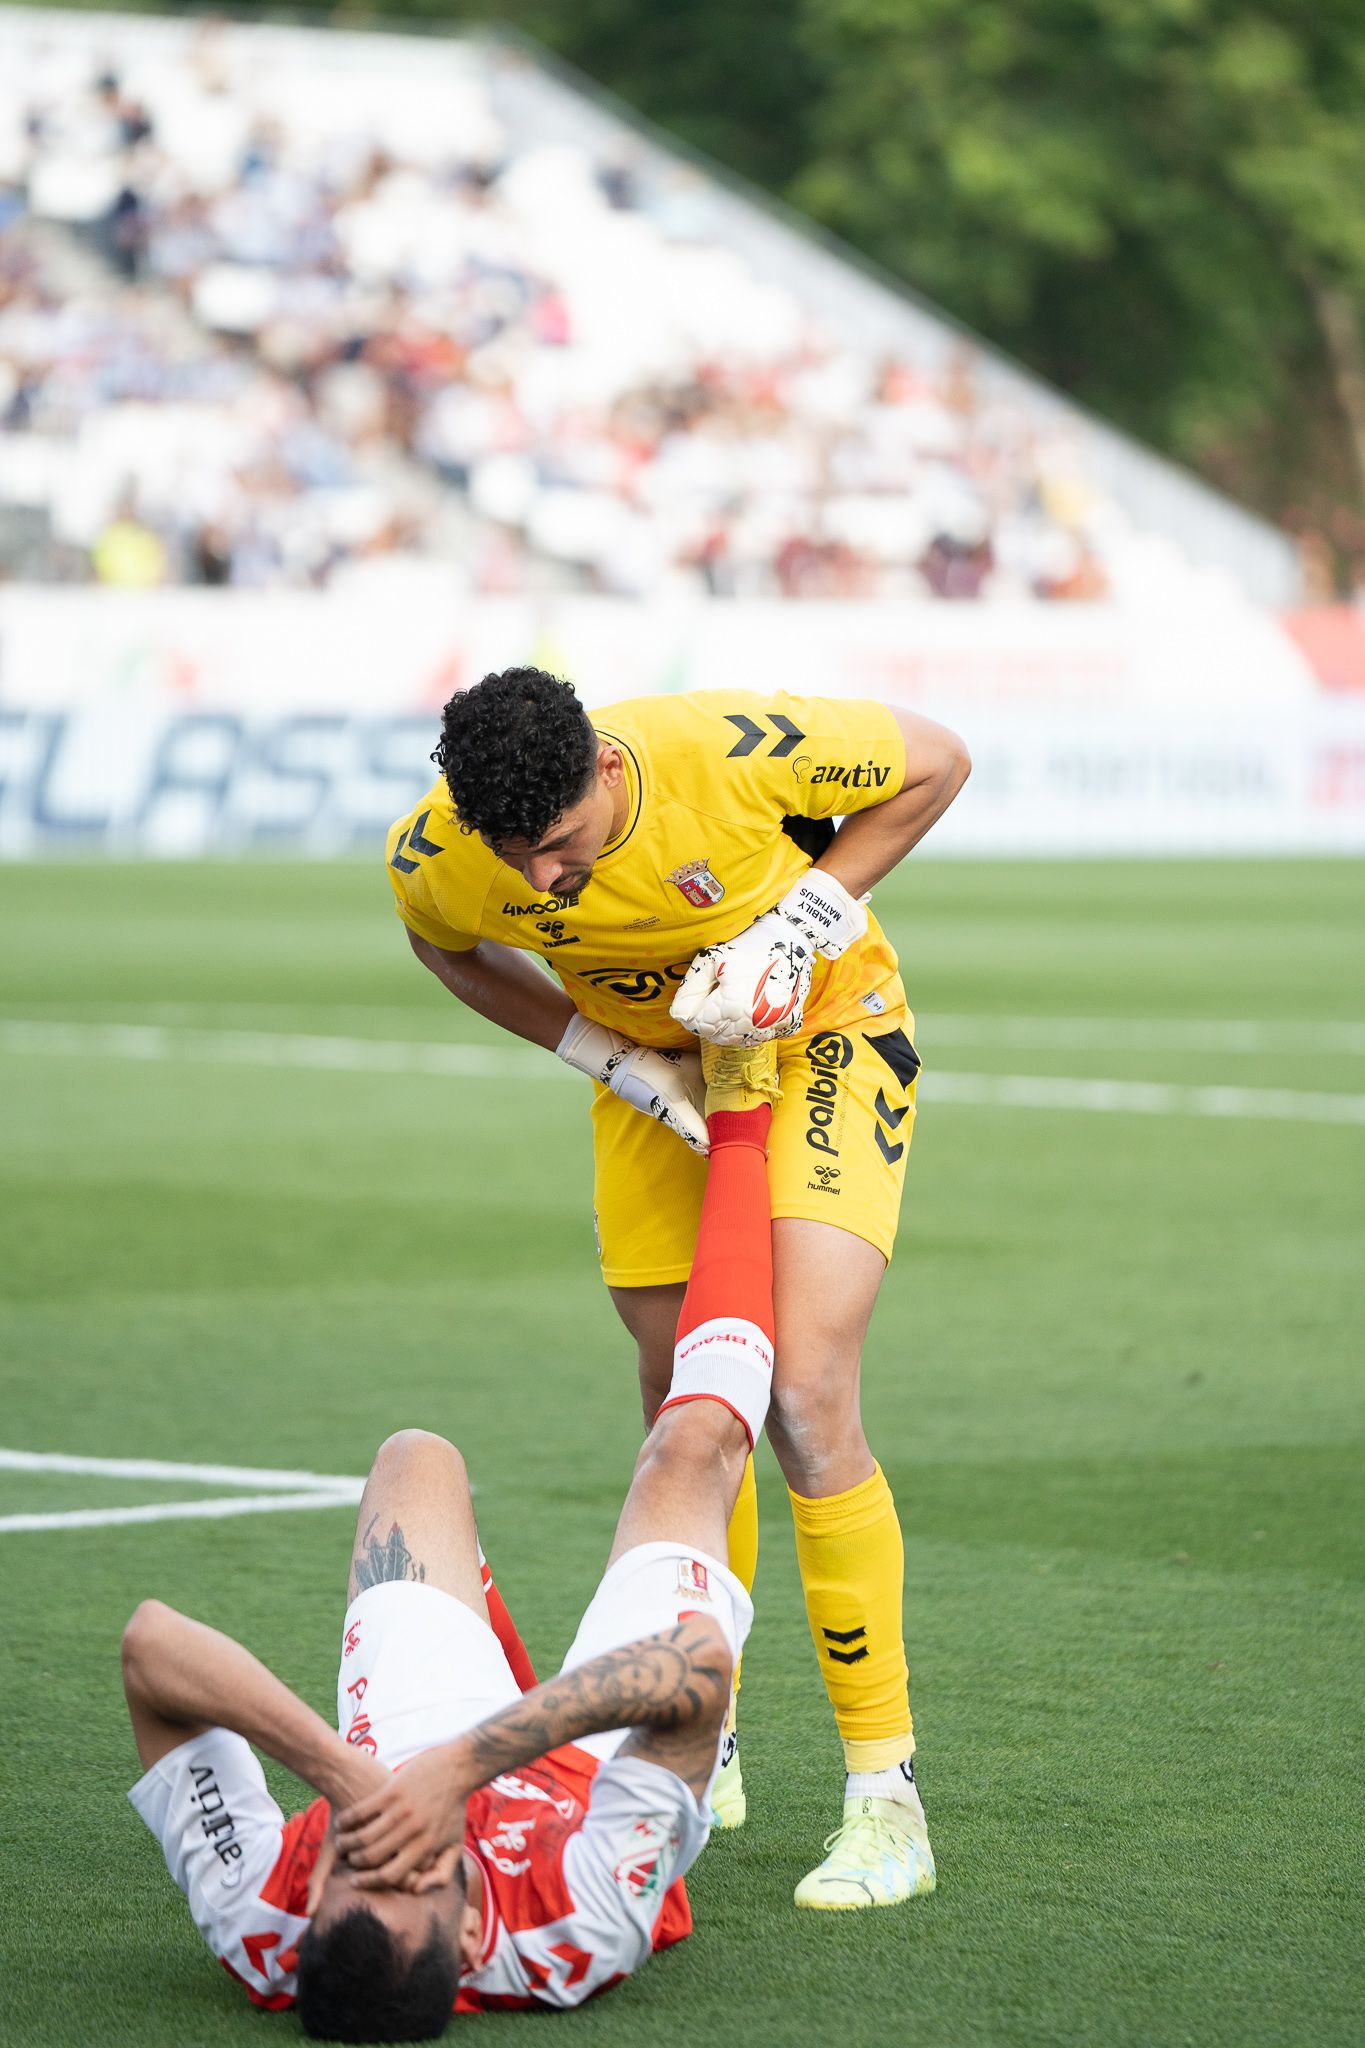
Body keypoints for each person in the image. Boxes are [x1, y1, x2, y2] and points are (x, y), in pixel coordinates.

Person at [385, 667, 969, 1907]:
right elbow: (439, 939)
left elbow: (937, 758)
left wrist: (796, 925)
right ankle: (711, 1729)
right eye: (515, 855)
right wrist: (608, 1057)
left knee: (803, 1393)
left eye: (558, 847)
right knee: (685, 1404)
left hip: (818, 1034)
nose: (539, 880)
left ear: (603, 769)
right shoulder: (448, 845)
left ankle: (886, 1797)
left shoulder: (729, 748)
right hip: (659, 1076)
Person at [122, 1049, 779, 2035]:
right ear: (469, 1937)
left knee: (415, 1459)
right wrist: (465, 1765)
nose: (378, 1847)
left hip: (404, 1738)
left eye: (351, 1860)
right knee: (690, 1450)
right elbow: (695, 1670)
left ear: (308, 1920)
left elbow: (150, 1646)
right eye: (416, 1867)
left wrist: (351, 1778)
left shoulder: (260, 1913)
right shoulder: (575, 1927)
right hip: (583, 1779)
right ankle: (744, 1110)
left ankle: (477, 1654)